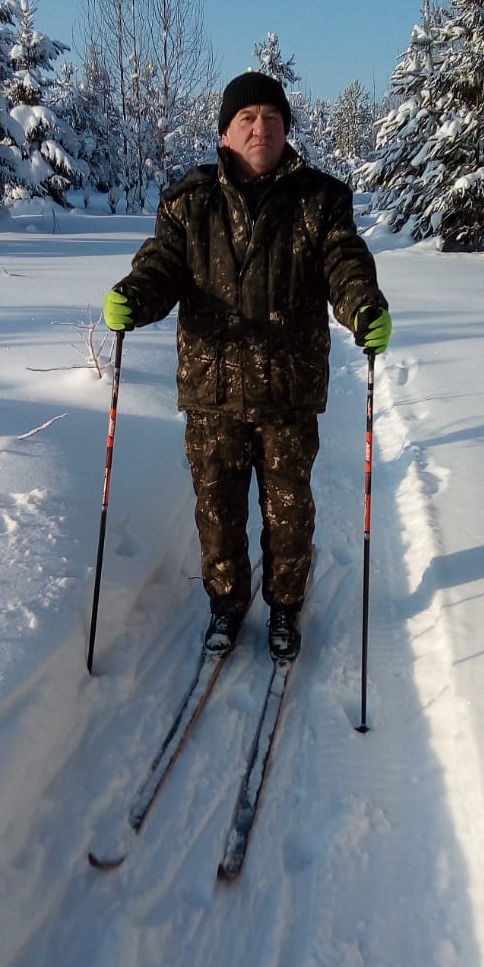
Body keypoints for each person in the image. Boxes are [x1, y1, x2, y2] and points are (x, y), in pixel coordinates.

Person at [103, 71, 391, 663]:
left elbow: (344, 261)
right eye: (248, 119)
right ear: (226, 133)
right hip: (213, 393)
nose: (261, 128)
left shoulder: (319, 199)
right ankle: (226, 606)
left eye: (273, 118)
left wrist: (361, 304)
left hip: (287, 390)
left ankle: (285, 606)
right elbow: (162, 267)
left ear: (286, 130)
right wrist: (135, 294)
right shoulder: (189, 202)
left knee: (289, 513)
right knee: (218, 513)